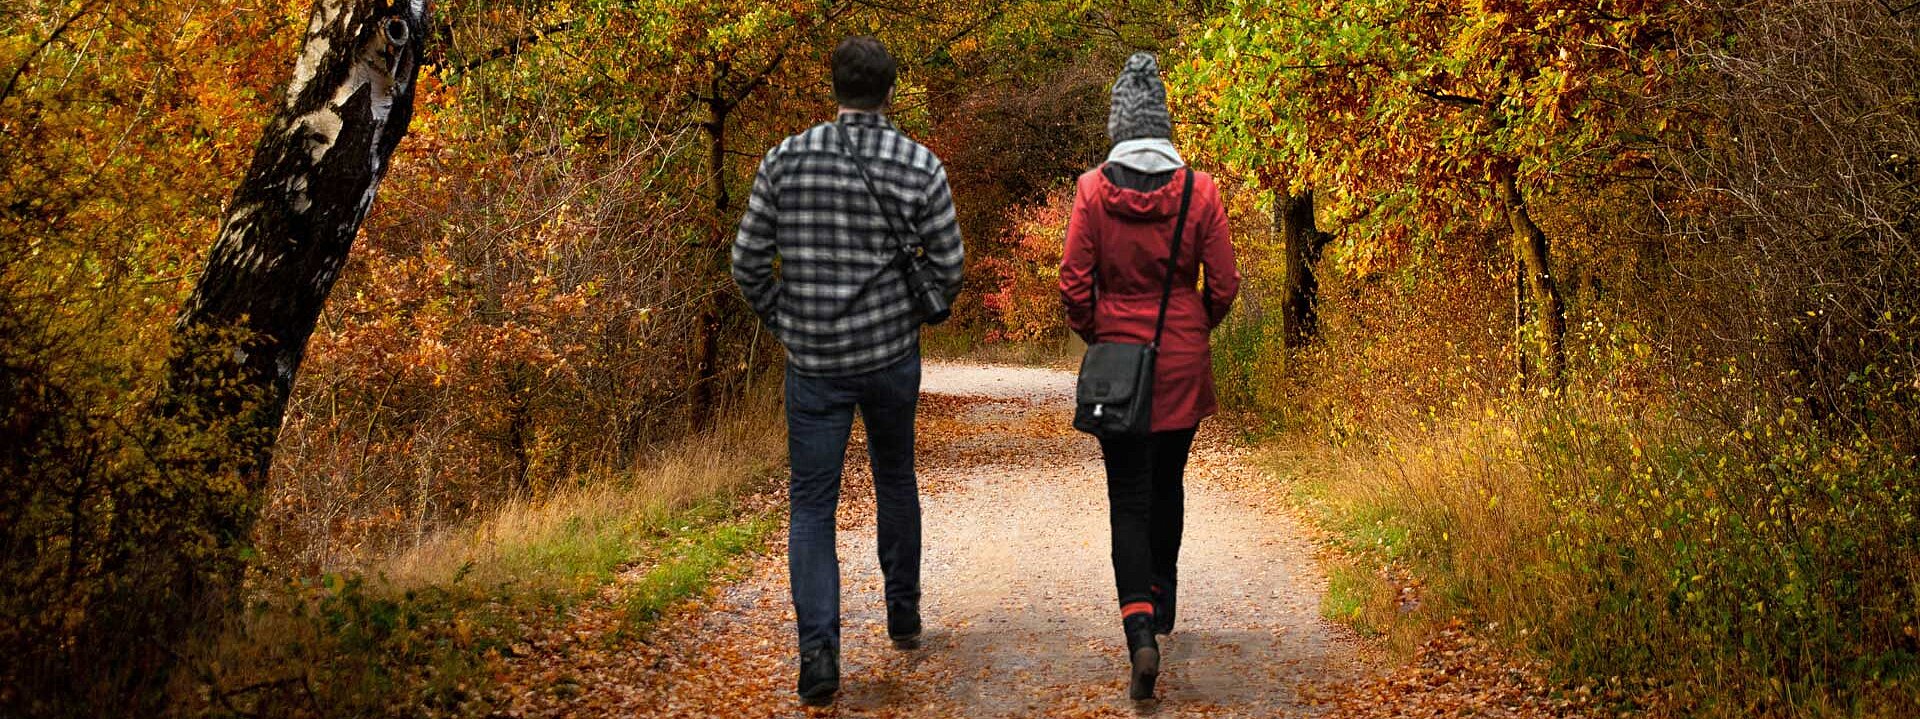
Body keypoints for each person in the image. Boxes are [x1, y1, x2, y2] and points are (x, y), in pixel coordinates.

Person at [730, 36, 964, 707]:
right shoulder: (919, 165)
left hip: (813, 363)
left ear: (834, 87)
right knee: (895, 475)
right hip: (890, 356)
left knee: (812, 504)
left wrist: (787, 320)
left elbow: (747, 263)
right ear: (890, 92)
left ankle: (819, 653)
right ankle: (903, 613)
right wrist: (903, 314)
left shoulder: (785, 160)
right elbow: (949, 267)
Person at [1058, 51, 1241, 701]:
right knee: (1167, 483)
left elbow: (1074, 285)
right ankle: (1161, 596)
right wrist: (1194, 326)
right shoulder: (1201, 192)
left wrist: (1102, 336)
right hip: (1181, 362)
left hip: (1118, 368)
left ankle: (1139, 630)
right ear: (1163, 125)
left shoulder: (1092, 191)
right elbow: (1225, 284)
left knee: (1127, 497)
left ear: (1118, 125)